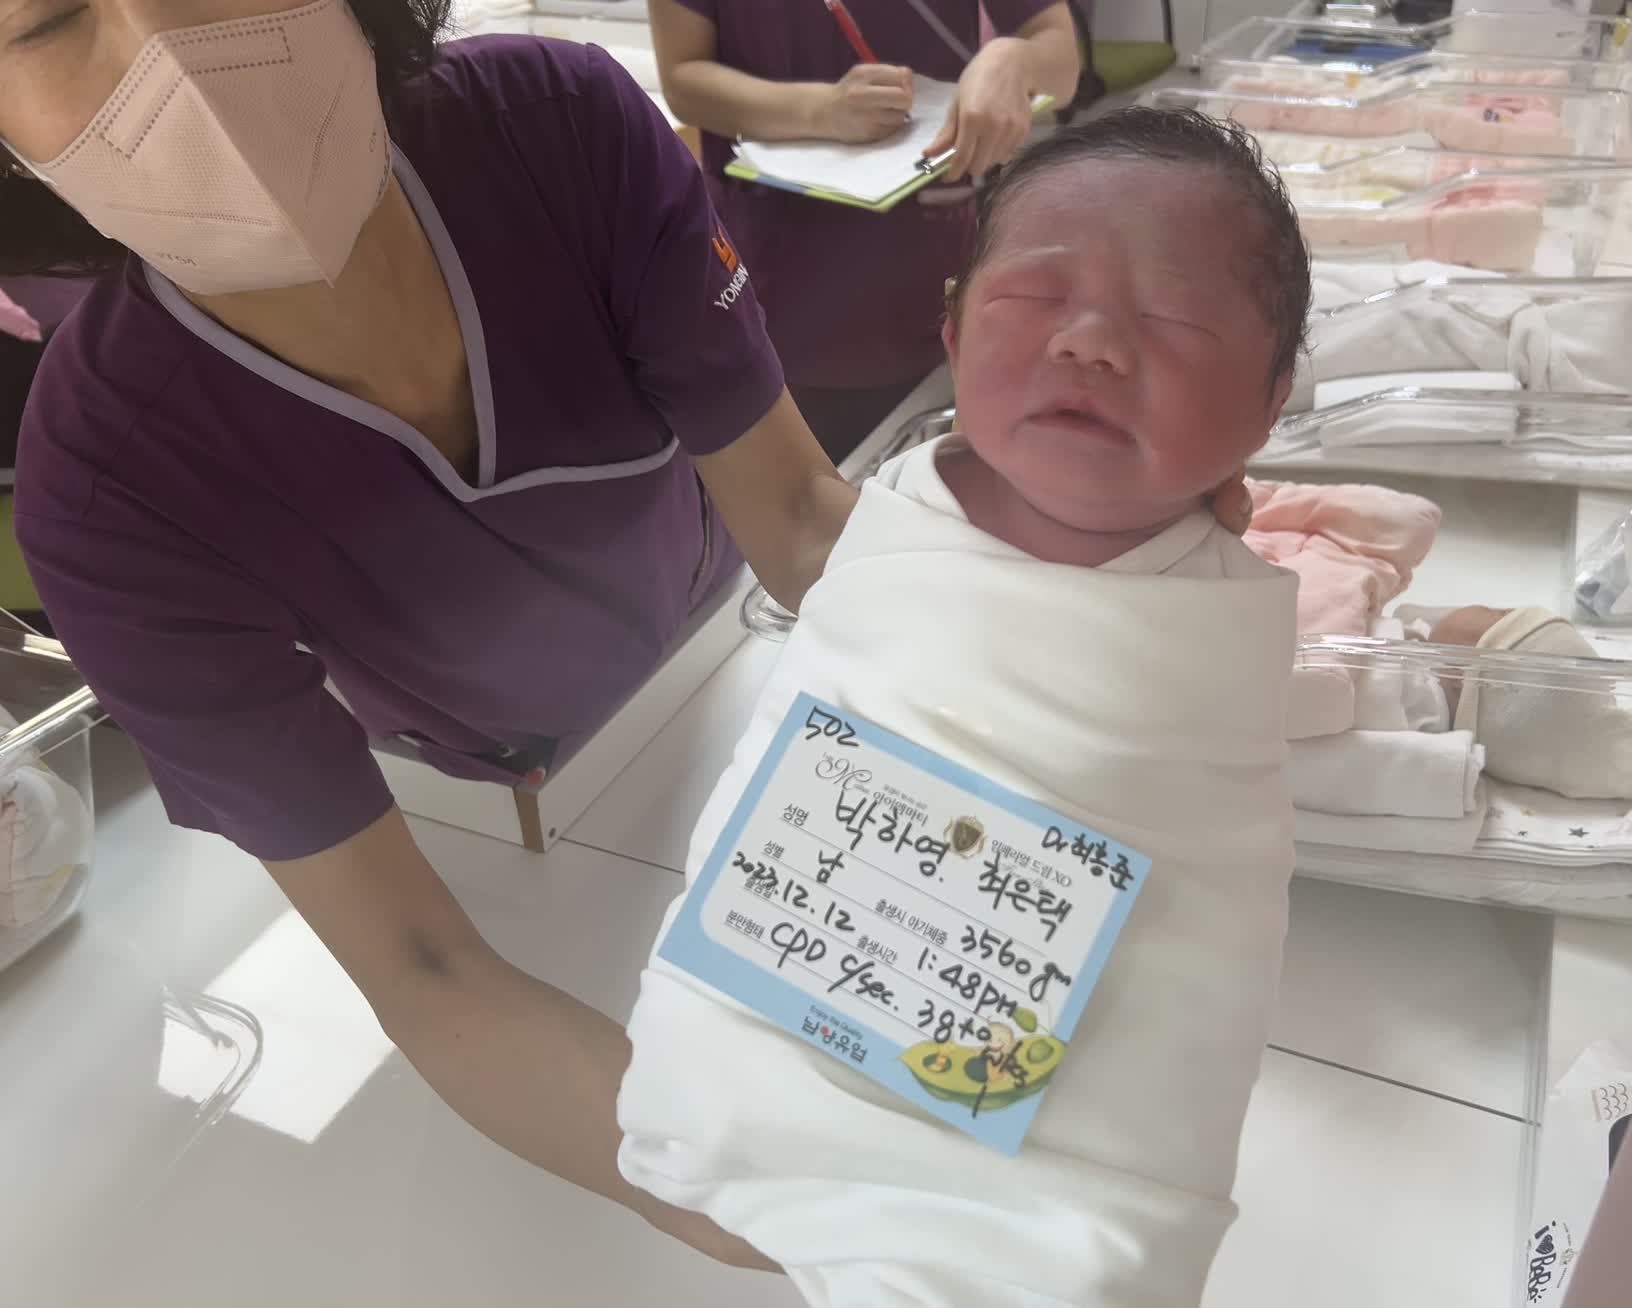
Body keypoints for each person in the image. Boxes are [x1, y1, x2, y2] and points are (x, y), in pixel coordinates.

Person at [0, 0, 1252, 1273]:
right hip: (503, 814)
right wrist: (785, 1212)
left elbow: (801, 522)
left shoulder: (551, 130)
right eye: (44, 23)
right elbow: (424, 963)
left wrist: (1099, 633)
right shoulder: (106, 490)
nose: (166, 54)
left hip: (741, 672)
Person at [615, 107, 1312, 1307]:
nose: (1089, 341)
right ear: (950, 329)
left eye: (1172, 317)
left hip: (1073, 1177)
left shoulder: (1221, 630)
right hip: (793, 1012)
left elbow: (1207, 920)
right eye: (1036, 295)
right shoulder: (892, 518)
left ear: (1269, 401)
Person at [650, 0, 1082, 461]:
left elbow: (1060, 58)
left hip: (929, 279)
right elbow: (683, 80)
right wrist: (820, 110)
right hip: (770, 283)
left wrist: (1011, 60)